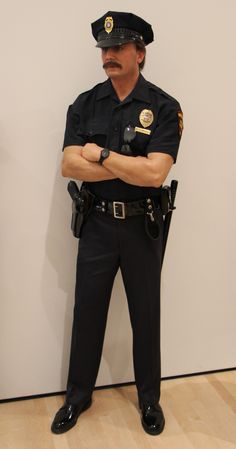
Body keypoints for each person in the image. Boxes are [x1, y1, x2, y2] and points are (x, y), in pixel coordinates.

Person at [51, 11, 183, 436]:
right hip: (98, 225)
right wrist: (131, 165)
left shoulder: (164, 107)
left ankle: (149, 400)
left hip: (144, 227)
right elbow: (69, 165)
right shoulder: (85, 103)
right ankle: (77, 396)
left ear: (140, 53)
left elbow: (155, 175)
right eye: (104, 49)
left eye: (118, 47)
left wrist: (103, 156)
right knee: (87, 311)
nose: (108, 54)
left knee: (146, 314)